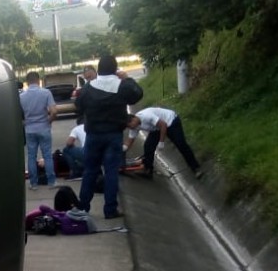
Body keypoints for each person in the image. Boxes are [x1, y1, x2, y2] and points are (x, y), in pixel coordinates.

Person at [73, 54, 143, 219]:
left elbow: (78, 106)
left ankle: (83, 208)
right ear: (115, 68)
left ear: (99, 69)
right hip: (113, 135)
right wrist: (127, 78)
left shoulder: (88, 88)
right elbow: (138, 95)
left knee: (90, 171)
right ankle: (110, 210)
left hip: (93, 135)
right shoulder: (122, 85)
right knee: (111, 172)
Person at [126, 107, 202, 178]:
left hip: (170, 121)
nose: (131, 128)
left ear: (134, 119)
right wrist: (123, 150)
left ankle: (195, 168)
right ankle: (147, 169)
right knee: (148, 146)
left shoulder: (146, 116)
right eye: (129, 127)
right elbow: (130, 141)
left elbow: (163, 125)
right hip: (157, 127)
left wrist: (161, 142)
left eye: (131, 125)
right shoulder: (134, 127)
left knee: (180, 144)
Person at [19, 71, 57, 189]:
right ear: (38, 80)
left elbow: (18, 115)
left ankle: (33, 183)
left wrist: (25, 123)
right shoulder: (46, 93)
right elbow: (54, 111)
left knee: (31, 156)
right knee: (47, 156)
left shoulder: (21, 96)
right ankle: (51, 182)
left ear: (27, 82)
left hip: (29, 129)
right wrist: (49, 120)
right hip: (44, 127)